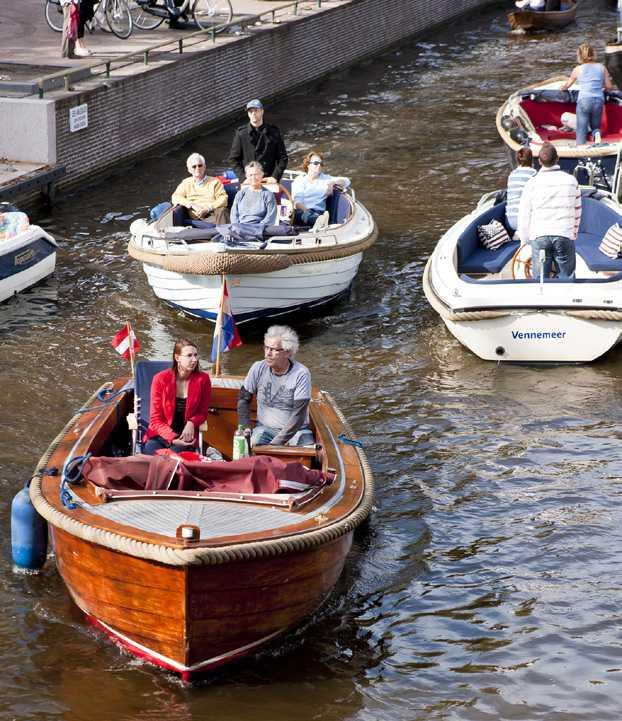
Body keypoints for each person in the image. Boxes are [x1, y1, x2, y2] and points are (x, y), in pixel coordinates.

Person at [237, 325, 314, 447]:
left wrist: (276, 444)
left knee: (308, 451)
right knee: (252, 446)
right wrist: (245, 427)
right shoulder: (257, 368)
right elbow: (243, 399)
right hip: (264, 429)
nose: (268, 353)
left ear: (288, 352)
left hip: (297, 431)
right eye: (266, 348)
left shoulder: (301, 374)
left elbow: (298, 415)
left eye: (274, 349)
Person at [517, 142, 582, 279]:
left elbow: (524, 214)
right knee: (567, 279)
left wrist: (524, 240)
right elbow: (577, 211)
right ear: (557, 158)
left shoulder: (531, 184)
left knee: (541, 281)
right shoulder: (571, 181)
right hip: (564, 234)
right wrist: (573, 234)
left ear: (539, 161)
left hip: (539, 236)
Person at [143, 338, 212, 456]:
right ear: (177, 358)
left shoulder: (203, 379)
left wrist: (191, 423)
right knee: (151, 453)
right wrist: (172, 438)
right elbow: (155, 418)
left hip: (186, 437)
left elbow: (202, 412)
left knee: (175, 460)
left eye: (195, 355)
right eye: (189, 355)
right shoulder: (160, 379)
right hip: (160, 434)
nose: (194, 359)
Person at [560, 43, 614, 146]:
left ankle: (580, 147)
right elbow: (609, 86)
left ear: (580, 56)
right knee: (595, 126)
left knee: (581, 129)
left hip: (584, 100)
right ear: (593, 54)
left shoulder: (577, 69)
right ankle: (597, 139)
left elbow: (567, 85)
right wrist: (600, 85)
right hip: (598, 100)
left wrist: (562, 88)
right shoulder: (602, 67)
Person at [227, 99, 288, 184]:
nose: (253, 114)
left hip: (269, 180)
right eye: (250, 112)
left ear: (262, 111)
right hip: (249, 182)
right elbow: (233, 159)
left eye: (256, 111)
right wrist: (243, 178)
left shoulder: (274, 132)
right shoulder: (241, 134)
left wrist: (275, 177)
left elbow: (283, 158)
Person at [291, 151, 350, 231]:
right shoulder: (300, 180)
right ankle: (320, 222)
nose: (319, 165)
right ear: (308, 165)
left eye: (321, 164)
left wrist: (332, 183)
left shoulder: (325, 179)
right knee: (301, 215)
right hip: (303, 210)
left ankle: (320, 221)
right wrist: (307, 212)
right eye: (316, 163)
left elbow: (347, 181)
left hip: (319, 212)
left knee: (318, 217)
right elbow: (297, 203)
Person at [171, 152, 229, 227]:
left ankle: (225, 235)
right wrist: (191, 204)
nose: (197, 168)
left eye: (200, 165)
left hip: (213, 213)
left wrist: (208, 208)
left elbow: (223, 199)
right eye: (194, 166)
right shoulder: (186, 183)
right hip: (196, 216)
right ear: (189, 170)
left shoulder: (215, 181)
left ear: (204, 167)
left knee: (222, 211)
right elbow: (175, 197)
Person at [230, 162, 277, 227]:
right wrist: (237, 227)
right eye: (250, 175)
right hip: (240, 228)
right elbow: (234, 215)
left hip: (259, 229)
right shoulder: (240, 194)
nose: (253, 177)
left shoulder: (268, 195)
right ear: (246, 176)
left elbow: (270, 218)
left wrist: (257, 228)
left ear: (262, 175)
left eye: (256, 174)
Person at [505, 147, 537, 238]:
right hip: (524, 221)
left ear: (518, 160)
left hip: (509, 222)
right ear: (531, 160)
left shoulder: (511, 175)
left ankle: (518, 233)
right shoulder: (534, 174)